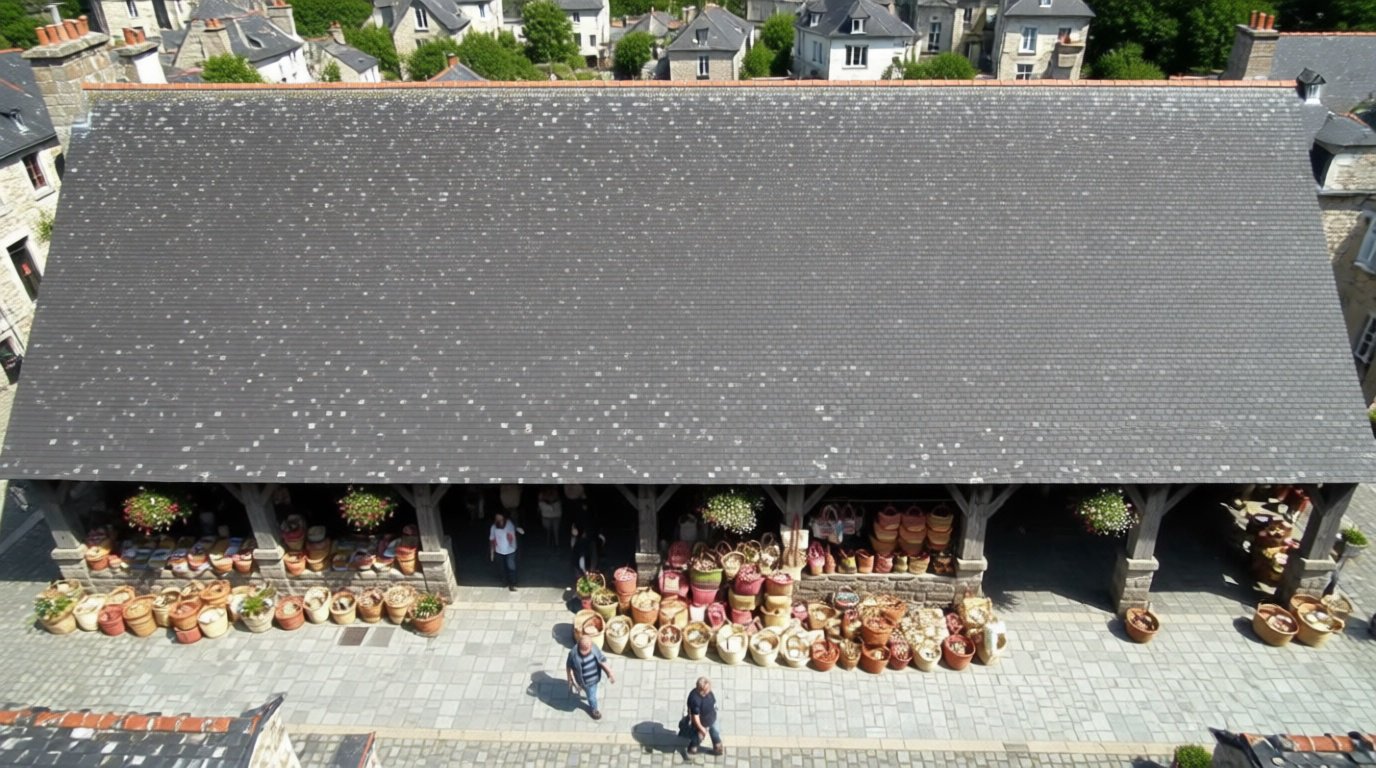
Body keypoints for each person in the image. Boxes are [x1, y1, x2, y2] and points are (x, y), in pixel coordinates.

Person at [565, 633, 615, 720]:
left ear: (591, 646)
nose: (584, 652)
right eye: (582, 649)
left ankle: (592, 703)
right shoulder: (573, 654)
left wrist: (609, 673)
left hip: (594, 679)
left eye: (586, 650)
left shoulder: (594, 648)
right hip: (582, 681)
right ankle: (594, 709)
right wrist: (569, 677)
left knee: (591, 695)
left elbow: (601, 661)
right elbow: (568, 665)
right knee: (591, 696)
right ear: (579, 644)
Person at [686, 676, 722, 756]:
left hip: (712, 718)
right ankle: (692, 749)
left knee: (715, 734)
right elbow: (695, 717)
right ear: (702, 691)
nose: (710, 689)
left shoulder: (707, 693)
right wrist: (702, 728)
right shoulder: (695, 700)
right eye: (708, 688)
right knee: (699, 736)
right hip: (702, 722)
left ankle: (718, 750)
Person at [489, 511, 519, 591]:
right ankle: (504, 581)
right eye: (497, 518)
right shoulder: (493, 527)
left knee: (511, 567)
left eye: (500, 518)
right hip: (499, 550)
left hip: (510, 550)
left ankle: (512, 583)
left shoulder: (509, 524)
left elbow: (512, 535)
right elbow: (492, 539)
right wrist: (492, 551)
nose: (498, 520)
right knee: (501, 567)